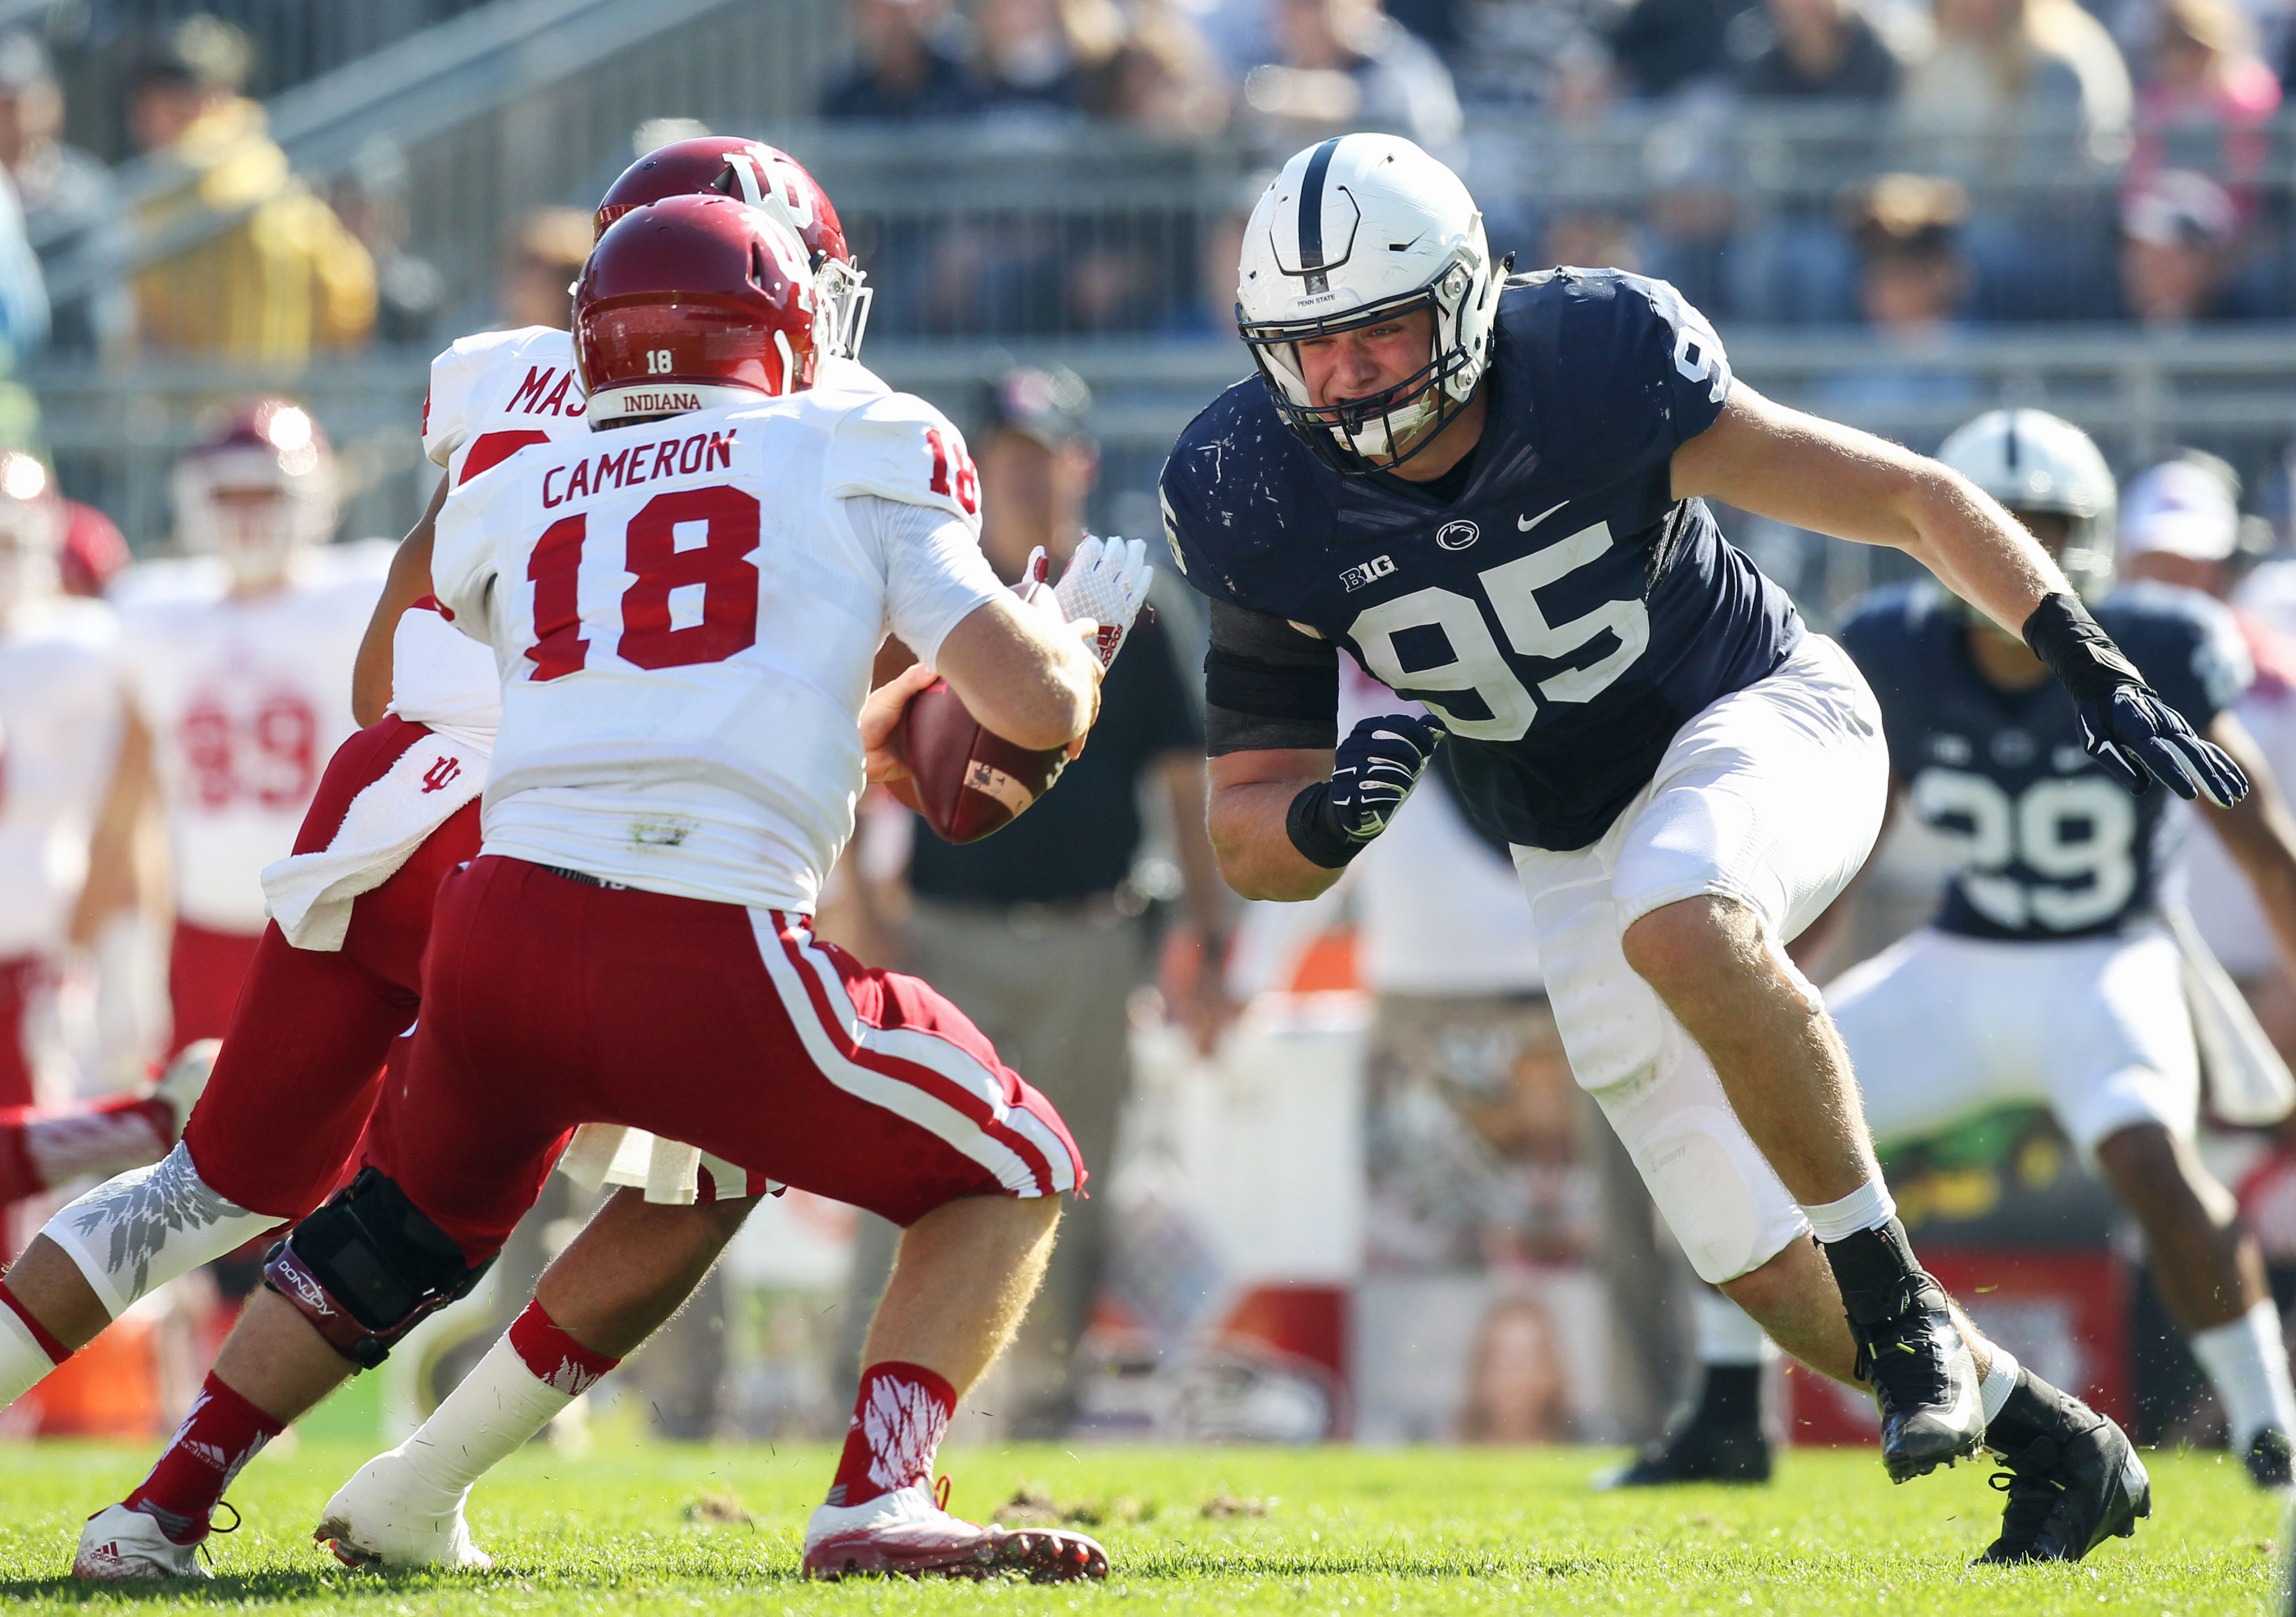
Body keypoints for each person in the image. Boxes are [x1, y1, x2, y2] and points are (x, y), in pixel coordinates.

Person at [1160, 133, 2227, 1561]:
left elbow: (1910, 496)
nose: (1347, 377)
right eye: (1313, 348)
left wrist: (2085, 657)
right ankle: (2055, 1442)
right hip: (1568, 834)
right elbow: (1248, 840)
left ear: (1470, 299)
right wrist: (1327, 814)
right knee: (1744, 1255)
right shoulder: (1250, 486)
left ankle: (1898, 1292)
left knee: (1684, 907)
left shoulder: (1597, 360)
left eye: (1381, 333)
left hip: (1764, 715)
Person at [110, 192, 1126, 1585]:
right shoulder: (854, 439)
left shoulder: (520, 477)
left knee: (387, 1235)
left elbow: (402, 686)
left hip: (498, 920)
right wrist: (1079, 654)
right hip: (701, 932)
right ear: (776, 324)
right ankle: (880, 1493)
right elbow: (1026, 693)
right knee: (1017, 1164)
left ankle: (162, 1505)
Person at [23, 139, 880, 1581]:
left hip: (385, 797)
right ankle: (393, 1483)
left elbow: (389, 651)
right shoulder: (829, 419)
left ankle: (193, 1496)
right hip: (570, 826)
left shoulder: (495, 370)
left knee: (212, 1179)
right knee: (675, 1172)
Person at [1635, 410, 2296, 1491]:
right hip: (1961, 960)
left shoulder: (2159, 644)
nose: (2019, 551)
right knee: (1743, 1111)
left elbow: (2265, 850)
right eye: (2003, 525)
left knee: (2147, 1156)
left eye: (2044, 527)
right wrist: (1763, 987)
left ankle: (2269, 1426)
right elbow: (1849, 847)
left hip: (2108, 960)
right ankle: (1726, 1413)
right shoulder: (1900, 649)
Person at [838, 365, 1232, 1437]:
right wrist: (857, 905)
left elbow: (1178, 784)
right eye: (1000, 455)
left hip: (1086, 931)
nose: (1016, 474)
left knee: (1058, 1171)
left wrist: (1210, 933)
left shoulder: (1138, 612)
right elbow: (855, 745)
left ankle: (1044, 1402)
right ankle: (862, 1407)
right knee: (905, 1163)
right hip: (937, 936)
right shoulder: (934, 587)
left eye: (1035, 454)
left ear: (1075, 462)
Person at [110, 401, 385, 1056]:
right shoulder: (154, 613)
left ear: (312, 496)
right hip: (204, 924)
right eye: (227, 495)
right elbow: (131, 789)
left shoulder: (362, 595)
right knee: (199, 1129)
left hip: (328, 922)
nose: (247, 513)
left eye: (264, 492)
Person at [126, 17, 376, 361]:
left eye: (166, 96)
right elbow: (348, 295)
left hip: (199, 399)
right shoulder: (274, 171)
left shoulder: (176, 185)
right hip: (279, 400)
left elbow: (144, 306)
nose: (145, 119)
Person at [0, 30, 126, 354]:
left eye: (24, 101)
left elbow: (108, 310)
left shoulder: (86, 184)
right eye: (4, 104)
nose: (14, 117)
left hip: (75, 367)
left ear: (54, 100)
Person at [819, 0, 986, 121]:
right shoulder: (845, 95)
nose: (900, 23)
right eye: (887, 12)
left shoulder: (966, 83)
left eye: (910, 11)